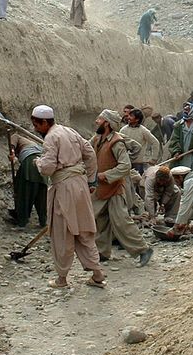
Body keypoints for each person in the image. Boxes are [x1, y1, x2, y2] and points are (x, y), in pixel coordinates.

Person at [31, 105, 107, 289]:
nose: (35, 128)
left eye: (36, 124)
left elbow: (48, 168)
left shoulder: (50, 138)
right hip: (80, 186)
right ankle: (97, 275)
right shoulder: (69, 131)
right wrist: (90, 180)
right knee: (84, 231)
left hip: (64, 189)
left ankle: (62, 279)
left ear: (44, 122)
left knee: (62, 232)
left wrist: (38, 163)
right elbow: (89, 153)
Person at [89, 109, 153, 266]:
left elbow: (125, 166)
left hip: (115, 188)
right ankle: (102, 252)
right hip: (102, 188)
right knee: (100, 219)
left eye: (100, 119)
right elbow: (85, 149)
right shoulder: (97, 139)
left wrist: (107, 174)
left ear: (107, 123)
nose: (97, 121)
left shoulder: (116, 142)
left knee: (121, 221)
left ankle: (143, 250)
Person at [9, 132, 47, 227]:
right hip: (43, 163)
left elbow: (14, 138)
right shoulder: (33, 144)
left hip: (31, 160)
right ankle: (43, 221)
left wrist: (12, 152)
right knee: (40, 194)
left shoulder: (17, 137)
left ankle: (22, 221)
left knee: (24, 191)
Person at [120, 108, 161, 174]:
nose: (129, 118)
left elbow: (155, 142)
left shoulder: (143, 130)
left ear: (137, 119)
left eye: (131, 116)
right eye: (129, 116)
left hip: (138, 164)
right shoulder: (123, 130)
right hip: (125, 163)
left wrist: (154, 158)